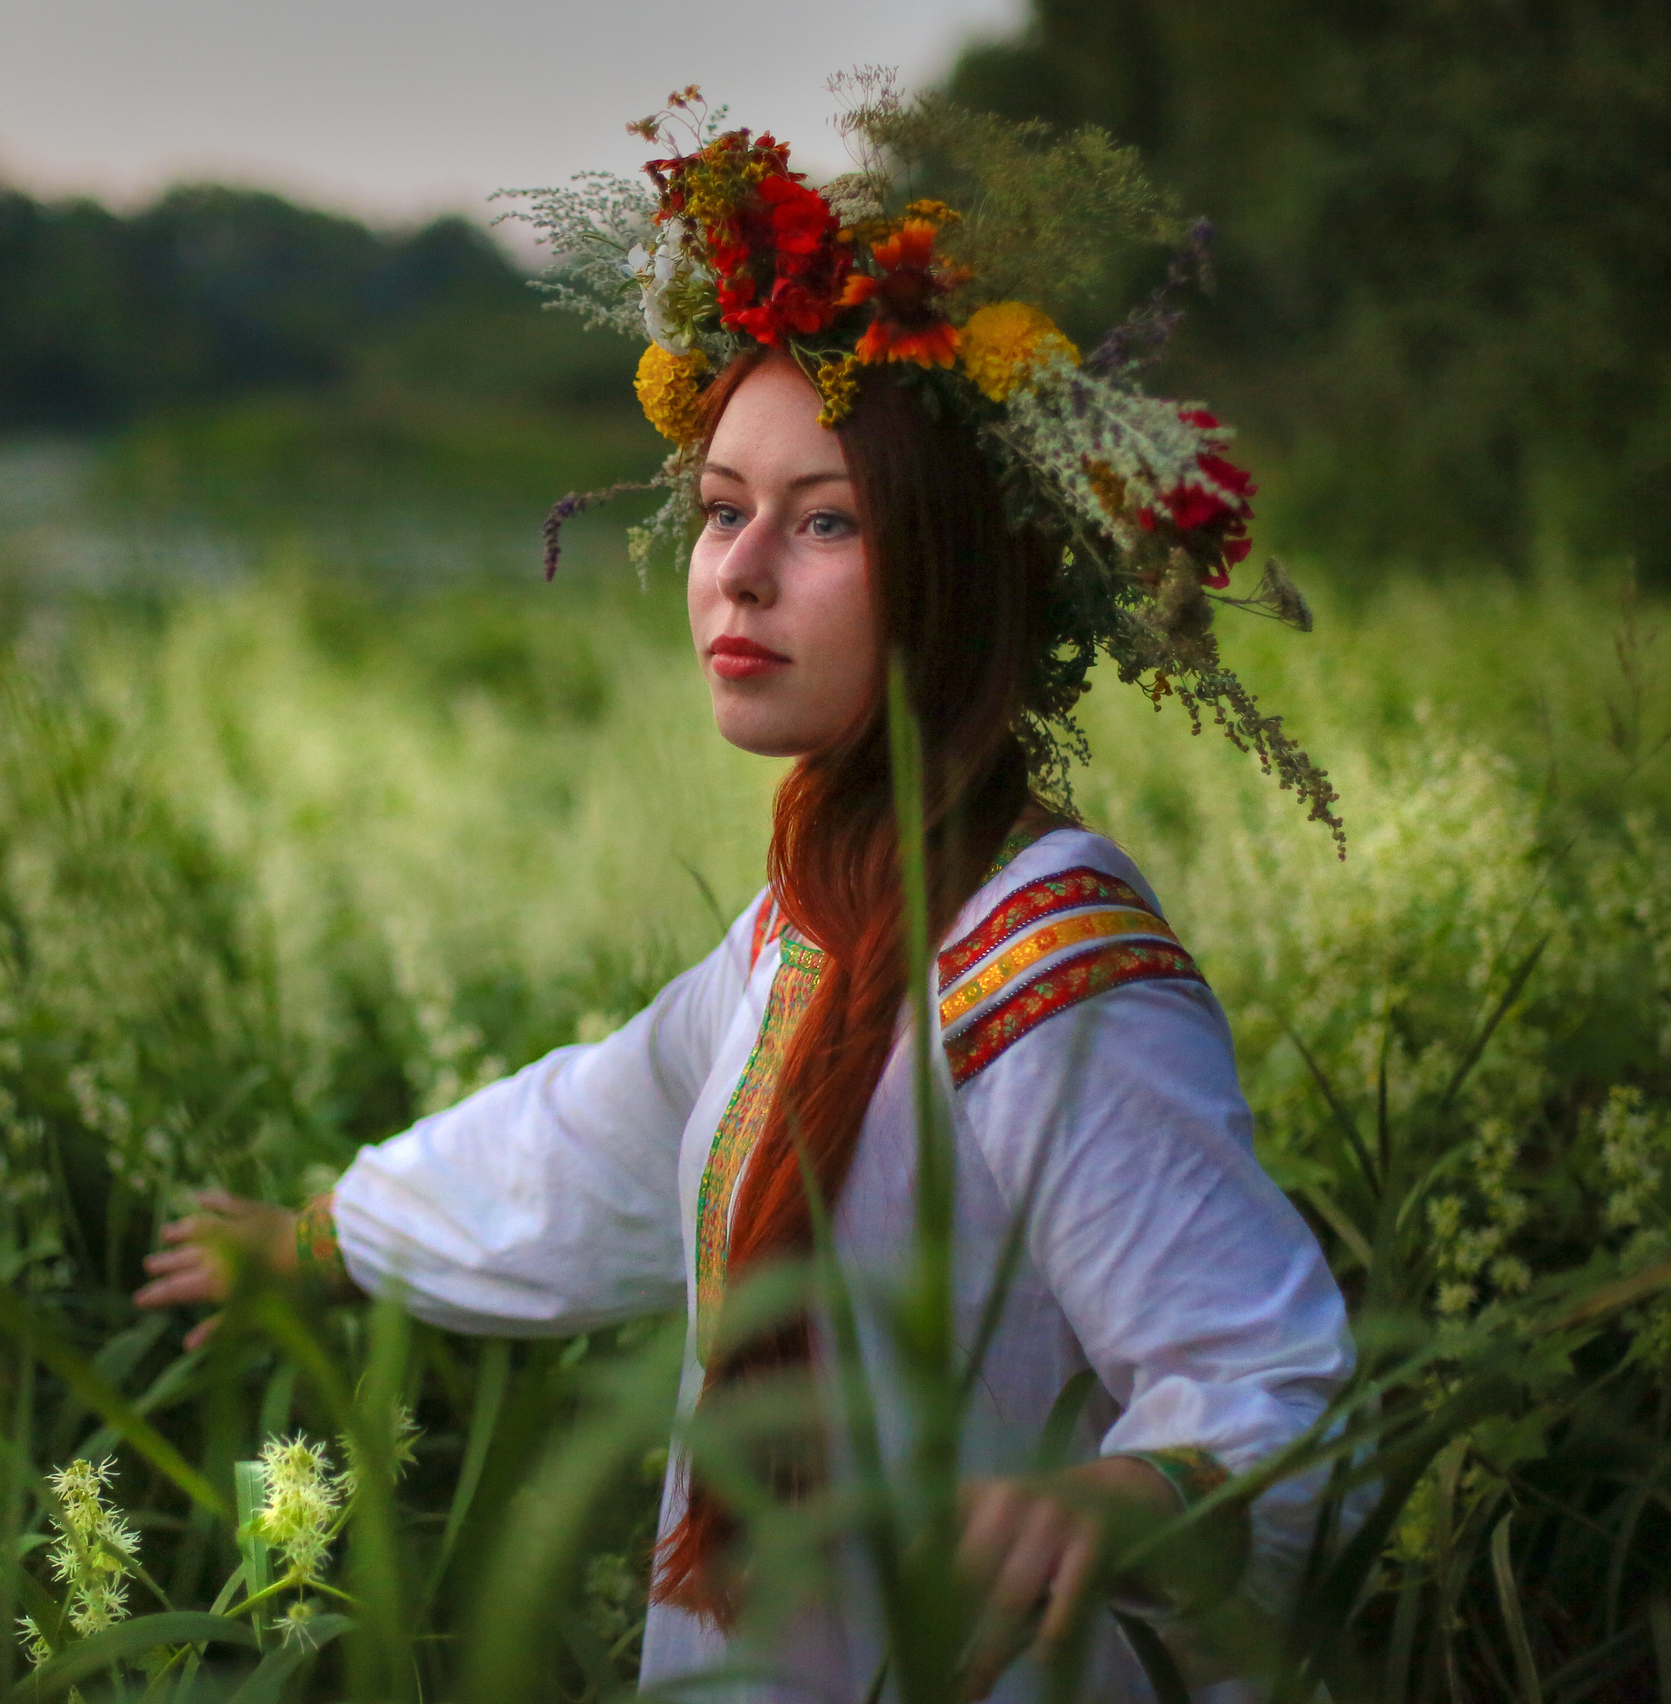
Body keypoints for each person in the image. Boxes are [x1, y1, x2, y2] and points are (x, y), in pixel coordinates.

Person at [135, 90, 1353, 1704]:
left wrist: (1126, 1496)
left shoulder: (1052, 973)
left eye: (826, 519)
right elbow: (603, 1135)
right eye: (722, 511)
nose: (739, 570)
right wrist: (328, 1236)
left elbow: (1269, 1382)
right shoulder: (821, 923)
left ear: (951, 570)